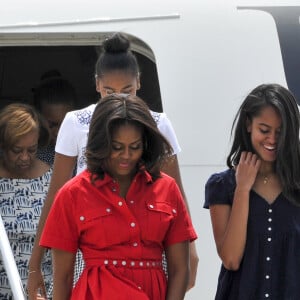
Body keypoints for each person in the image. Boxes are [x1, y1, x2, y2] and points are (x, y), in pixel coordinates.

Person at [28, 32, 198, 299]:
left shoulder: (158, 123)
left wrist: (191, 251)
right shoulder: (76, 122)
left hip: (148, 239)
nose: (119, 98)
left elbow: (175, 195)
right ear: (97, 85)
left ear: (139, 83)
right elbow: (56, 194)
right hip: (93, 244)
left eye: (127, 90)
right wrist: (35, 262)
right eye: (109, 91)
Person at [204, 83, 300, 299]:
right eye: (264, 130)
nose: (273, 140)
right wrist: (243, 189)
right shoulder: (222, 186)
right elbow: (231, 258)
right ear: (248, 124)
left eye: (281, 131)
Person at [0, 103, 53, 299]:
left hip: (44, 290)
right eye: (16, 150)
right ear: (3, 146)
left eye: (32, 150)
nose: (24, 158)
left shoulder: (52, 180)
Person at [33, 73, 77, 166]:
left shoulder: (85, 156)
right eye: (51, 125)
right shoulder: (27, 157)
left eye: (66, 124)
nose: (59, 132)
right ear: (37, 120)